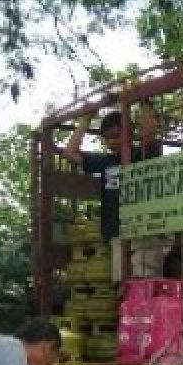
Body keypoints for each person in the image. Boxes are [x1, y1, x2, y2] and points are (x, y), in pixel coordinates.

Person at [63, 101, 169, 277]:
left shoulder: (142, 154)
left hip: (144, 232)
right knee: (124, 288)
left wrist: (143, 101)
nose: (112, 141)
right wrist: (85, 120)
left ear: (130, 132)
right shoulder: (107, 162)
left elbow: (150, 133)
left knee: (143, 284)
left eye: (117, 135)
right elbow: (69, 153)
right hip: (117, 234)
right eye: (107, 138)